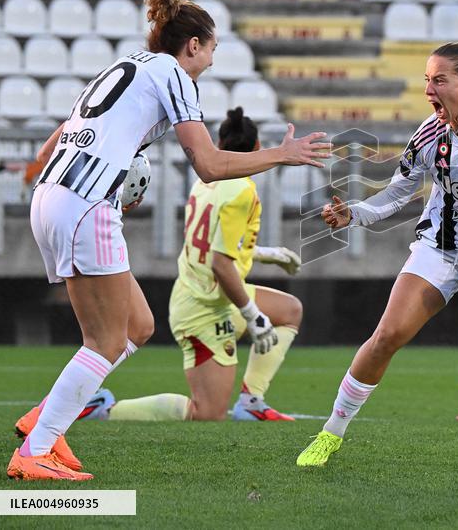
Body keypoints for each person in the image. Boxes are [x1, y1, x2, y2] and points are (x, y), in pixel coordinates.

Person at [6, 0, 332, 481]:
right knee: (105, 340)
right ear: (194, 46)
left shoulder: (125, 66)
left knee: (137, 325)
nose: (213, 57)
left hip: (57, 196)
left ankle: (45, 418)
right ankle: (35, 451)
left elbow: (55, 140)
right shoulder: (174, 72)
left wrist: (99, 176)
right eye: (214, 47)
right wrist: (281, 156)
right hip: (85, 203)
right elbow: (209, 164)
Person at [295, 42, 458, 476]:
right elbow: (395, 195)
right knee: (387, 335)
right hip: (439, 248)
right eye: (427, 79)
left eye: (440, 80)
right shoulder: (428, 135)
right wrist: (354, 213)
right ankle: (330, 432)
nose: (430, 88)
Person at [38, 107, 306, 425]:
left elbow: (208, 245)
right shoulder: (242, 190)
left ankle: (252, 400)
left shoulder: (207, 181)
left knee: (289, 309)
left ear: (219, 143)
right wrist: (253, 315)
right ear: (258, 148)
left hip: (210, 293)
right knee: (207, 414)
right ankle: (102, 408)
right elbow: (220, 263)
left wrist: (265, 253)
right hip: (204, 305)